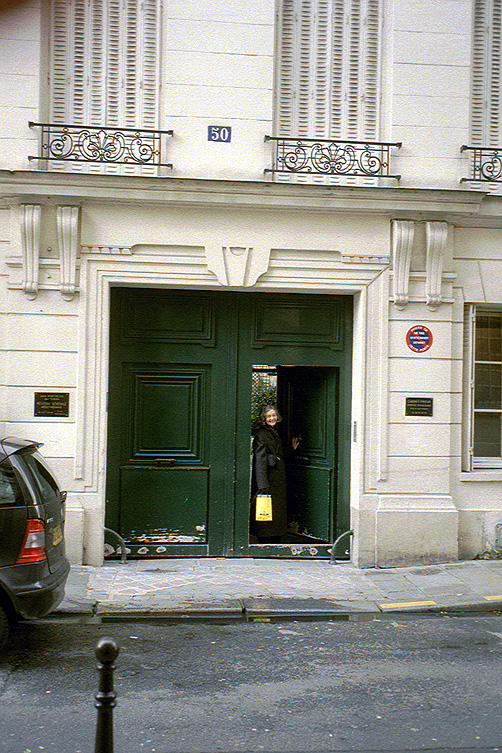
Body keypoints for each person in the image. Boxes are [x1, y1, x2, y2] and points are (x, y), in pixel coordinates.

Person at [250, 405, 299, 543]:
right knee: (266, 507)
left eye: (274, 415)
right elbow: (260, 459)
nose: (272, 418)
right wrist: (262, 484)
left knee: (276, 508)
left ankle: (276, 534)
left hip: (277, 478)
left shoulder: (273, 432)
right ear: (263, 419)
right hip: (268, 478)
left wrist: (291, 449)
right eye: (269, 416)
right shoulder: (261, 435)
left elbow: (279, 453)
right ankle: (265, 536)